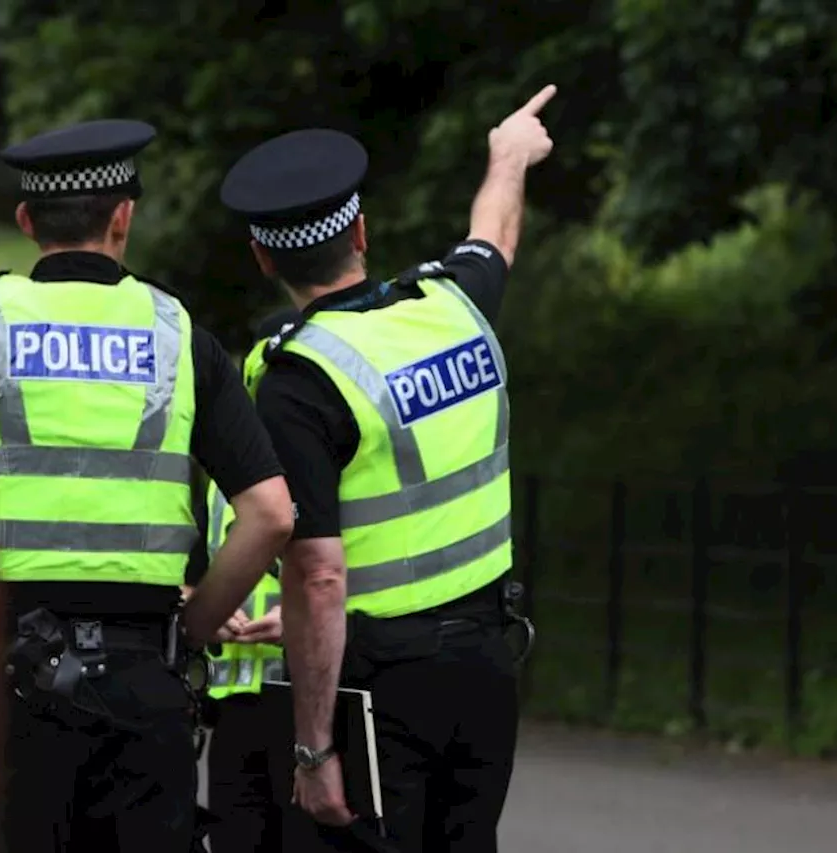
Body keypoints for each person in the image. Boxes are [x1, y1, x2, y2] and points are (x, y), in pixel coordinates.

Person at [0, 119, 294, 853]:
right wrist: (191, 628)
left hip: (0, 688)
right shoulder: (176, 332)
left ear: (27, 220)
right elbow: (271, 514)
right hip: (141, 693)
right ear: (124, 216)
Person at [217, 84, 558, 853]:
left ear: (263, 255)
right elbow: (493, 236)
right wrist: (508, 155)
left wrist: (312, 749)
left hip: (377, 689)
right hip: (487, 662)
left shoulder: (298, 378)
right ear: (361, 232)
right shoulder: (451, 306)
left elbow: (319, 577)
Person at [190, 307, 302, 853]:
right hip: (233, 708)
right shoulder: (220, 481)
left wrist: (302, 622)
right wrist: (204, 609)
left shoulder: (336, 462)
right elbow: (181, 580)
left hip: (312, 701)